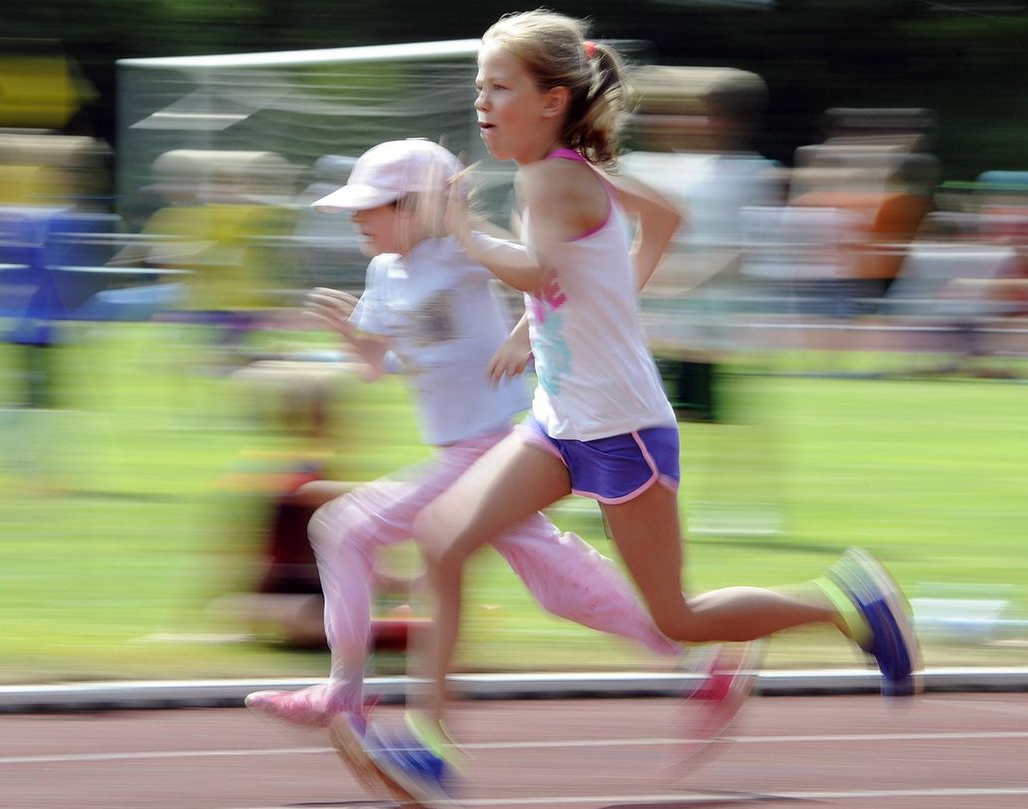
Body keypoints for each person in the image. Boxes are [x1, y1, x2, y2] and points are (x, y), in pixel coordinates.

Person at [335, 12, 921, 807]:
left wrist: (462, 228)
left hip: (622, 431)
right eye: (479, 87)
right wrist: (574, 314)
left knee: (678, 616)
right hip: (559, 421)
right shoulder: (574, 169)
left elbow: (539, 272)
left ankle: (848, 602)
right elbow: (657, 224)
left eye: (498, 87)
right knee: (443, 537)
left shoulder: (549, 180)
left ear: (550, 100)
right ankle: (429, 746)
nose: (481, 102)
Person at [244, 138, 697, 728]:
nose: (356, 218)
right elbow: (378, 365)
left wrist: (521, 337)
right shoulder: (383, 273)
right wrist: (351, 339)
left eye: (371, 206)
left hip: (491, 445)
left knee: (343, 531)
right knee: (557, 584)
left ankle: (344, 693)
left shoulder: (460, 251)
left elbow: (552, 279)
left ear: (418, 206)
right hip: (478, 454)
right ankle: (694, 661)